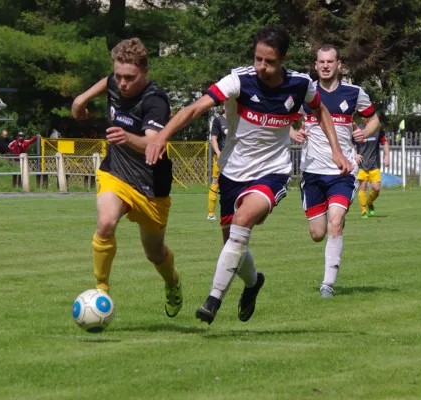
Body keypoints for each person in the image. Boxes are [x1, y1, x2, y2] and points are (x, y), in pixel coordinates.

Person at [146, 26, 352, 324]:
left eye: (268, 61)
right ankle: (254, 283)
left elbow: (320, 111)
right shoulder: (238, 81)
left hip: (273, 172)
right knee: (232, 242)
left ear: (283, 58)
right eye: (257, 59)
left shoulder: (299, 84)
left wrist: (336, 151)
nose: (261, 67)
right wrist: (162, 135)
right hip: (232, 172)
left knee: (243, 222)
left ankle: (213, 300)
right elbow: (195, 109)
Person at [71, 38, 182, 318]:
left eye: (129, 78)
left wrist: (127, 137)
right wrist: (80, 99)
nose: (121, 83)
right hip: (116, 173)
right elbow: (106, 81)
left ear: (145, 72)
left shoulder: (155, 100)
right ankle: (101, 291)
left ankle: (172, 283)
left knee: (154, 254)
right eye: (118, 76)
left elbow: (154, 145)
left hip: (151, 186)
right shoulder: (115, 80)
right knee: (106, 223)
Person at [292, 44, 380, 298]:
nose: (325, 66)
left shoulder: (354, 93)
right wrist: (293, 131)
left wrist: (366, 130)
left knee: (335, 222)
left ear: (339, 64)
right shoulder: (306, 93)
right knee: (317, 234)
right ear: (316, 65)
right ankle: (333, 221)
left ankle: (327, 285)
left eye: (330, 62)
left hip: (343, 172)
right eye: (321, 62)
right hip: (312, 172)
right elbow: (285, 119)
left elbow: (373, 118)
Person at [354, 123, 390, 218]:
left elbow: (385, 142)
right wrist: (355, 154)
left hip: (374, 165)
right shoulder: (358, 129)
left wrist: (387, 157)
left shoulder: (377, 129)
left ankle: (369, 202)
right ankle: (364, 211)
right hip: (362, 164)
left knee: (376, 188)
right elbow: (350, 144)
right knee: (363, 188)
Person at [207, 106, 228, 220]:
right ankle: (211, 213)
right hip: (221, 158)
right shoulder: (218, 120)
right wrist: (218, 152)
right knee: (216, 181)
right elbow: (214, 138)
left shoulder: (237, 119)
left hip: (235, 158)